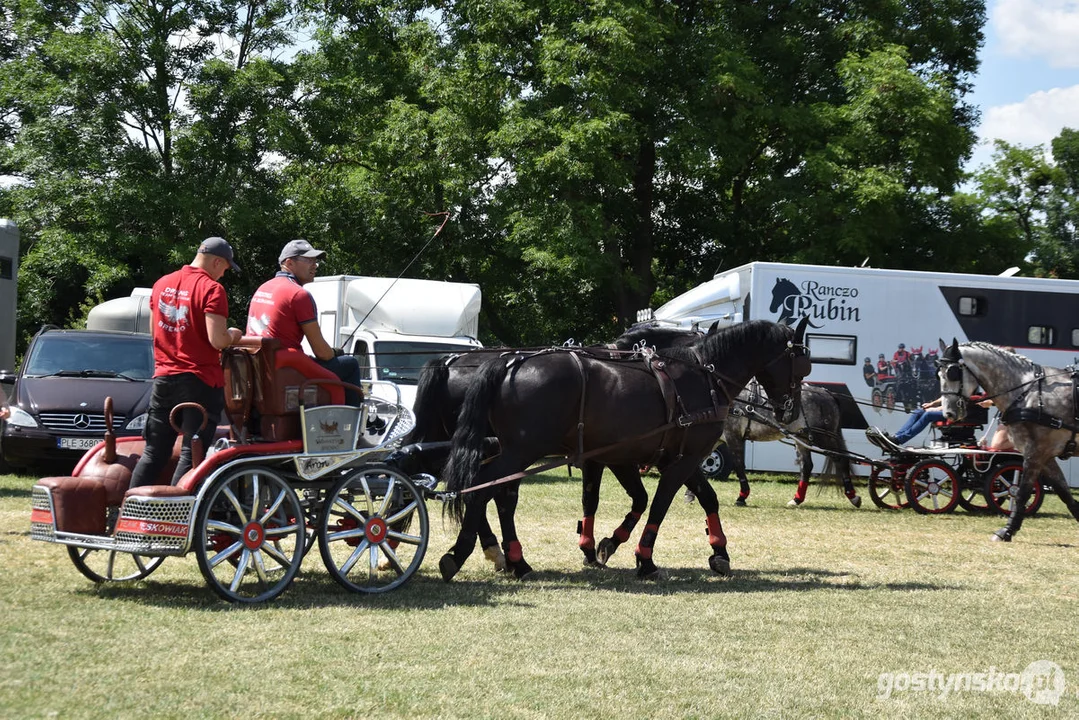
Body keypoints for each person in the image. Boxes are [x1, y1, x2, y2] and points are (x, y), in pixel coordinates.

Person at [128, 237, 243, 488]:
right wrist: (234, 335)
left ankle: (129, 514)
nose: (223, 274)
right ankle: (176, 517)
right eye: (225, 268)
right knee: (193, 456)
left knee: (154, 453)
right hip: (199, 381)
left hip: (164, 378)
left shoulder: (161, 284)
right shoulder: (212, 289)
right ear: (216, 261)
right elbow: (218, 340)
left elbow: (154, 332)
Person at [246, 239, 362, 405]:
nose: (314, 266)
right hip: (286, 367)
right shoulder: (298, 294)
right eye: (309, 260)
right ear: (289, 263)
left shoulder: (263, 288)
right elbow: (322, 352)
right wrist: (335, 353)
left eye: (315, 261)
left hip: (261, 366)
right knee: (349, 365)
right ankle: (349, 426)